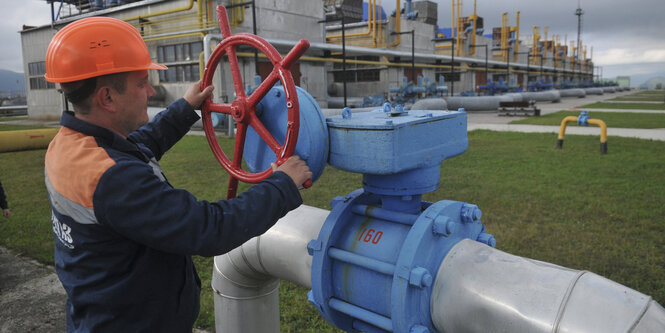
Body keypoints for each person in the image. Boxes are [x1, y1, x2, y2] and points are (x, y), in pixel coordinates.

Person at [43, 17, 312, 332]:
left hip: (101, 312)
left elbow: (140, 146)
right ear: (107, 98)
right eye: (142, 82)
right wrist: (281, 186)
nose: (151, 90)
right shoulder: (113, 179)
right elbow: (206, 228)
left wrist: (187, 108)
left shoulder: (71, 146)